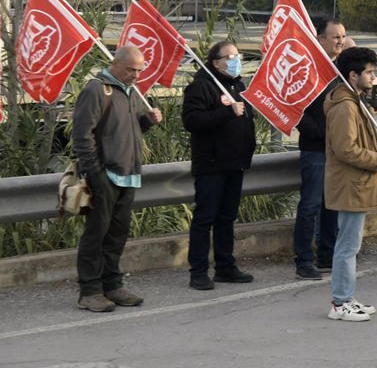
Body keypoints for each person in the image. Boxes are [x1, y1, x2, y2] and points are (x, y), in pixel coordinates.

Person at [70, 45, 163, 312]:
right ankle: (89, 291)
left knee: (117, 234)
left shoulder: (132, 92)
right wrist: (95, 174)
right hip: (106, 174)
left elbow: (129, 129)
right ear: (115, 63)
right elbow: (82, 136)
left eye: (139, 70)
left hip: (128, 174)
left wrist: (147, 121)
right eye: (131, 69)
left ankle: (112, 285)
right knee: (96, 234)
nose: (136, 75)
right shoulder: (97, 89)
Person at [325, 46, 377, 322]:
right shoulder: (345, 106)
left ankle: (346, 296)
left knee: (350, 245)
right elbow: (346, 149)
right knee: (347, 246)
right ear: (352, 74)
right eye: (369, 72)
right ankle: (340, 301)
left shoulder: (354, 101)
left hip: (355, 184)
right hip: (350, 185)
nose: (373, 77)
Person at [181, 41, 257, 290]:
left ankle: (225, 266)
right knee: (205, 218)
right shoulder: (201, 86)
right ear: (216, 62)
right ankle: (199, 271)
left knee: (227, 217)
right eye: (230, 56)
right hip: (212, 164)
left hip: (235, 162)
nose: (236, 60)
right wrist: (226, 113)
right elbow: (192, 120)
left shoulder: (236, 84)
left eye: (238, 55)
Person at [293, 16, 349, 278]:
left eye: (342, 36)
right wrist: (319, 133)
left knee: (332, 204)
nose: (340, 41)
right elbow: (295, 109)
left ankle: (328, 255)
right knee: (311, 205)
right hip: (315, 149)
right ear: (320, 39)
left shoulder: (343, 70)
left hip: (338, 150)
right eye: (335, 36)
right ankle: (303, 260)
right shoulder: (307, 69)